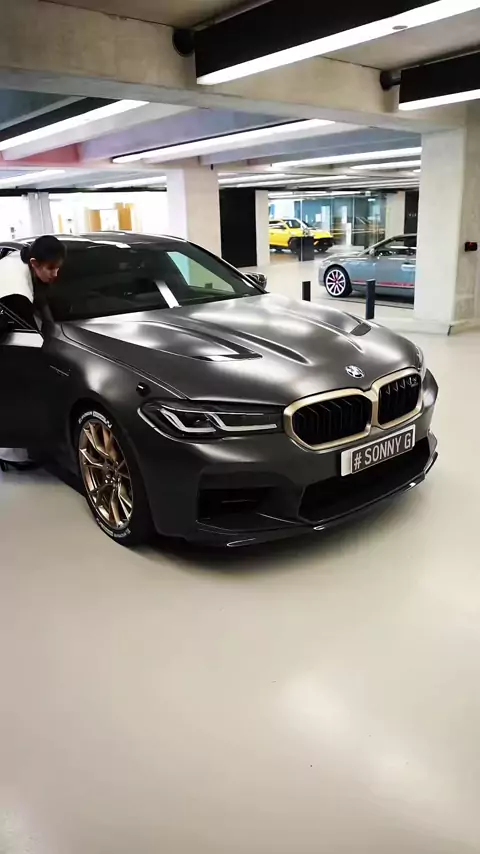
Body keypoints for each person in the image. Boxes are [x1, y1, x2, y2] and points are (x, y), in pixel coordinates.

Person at [0, 235, 66, 471]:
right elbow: (28, 338)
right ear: (34, 263)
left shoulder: (21, 257)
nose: (55, 274)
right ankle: (10, 454)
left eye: (58, 268)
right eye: (51, 268)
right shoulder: (16, 292)